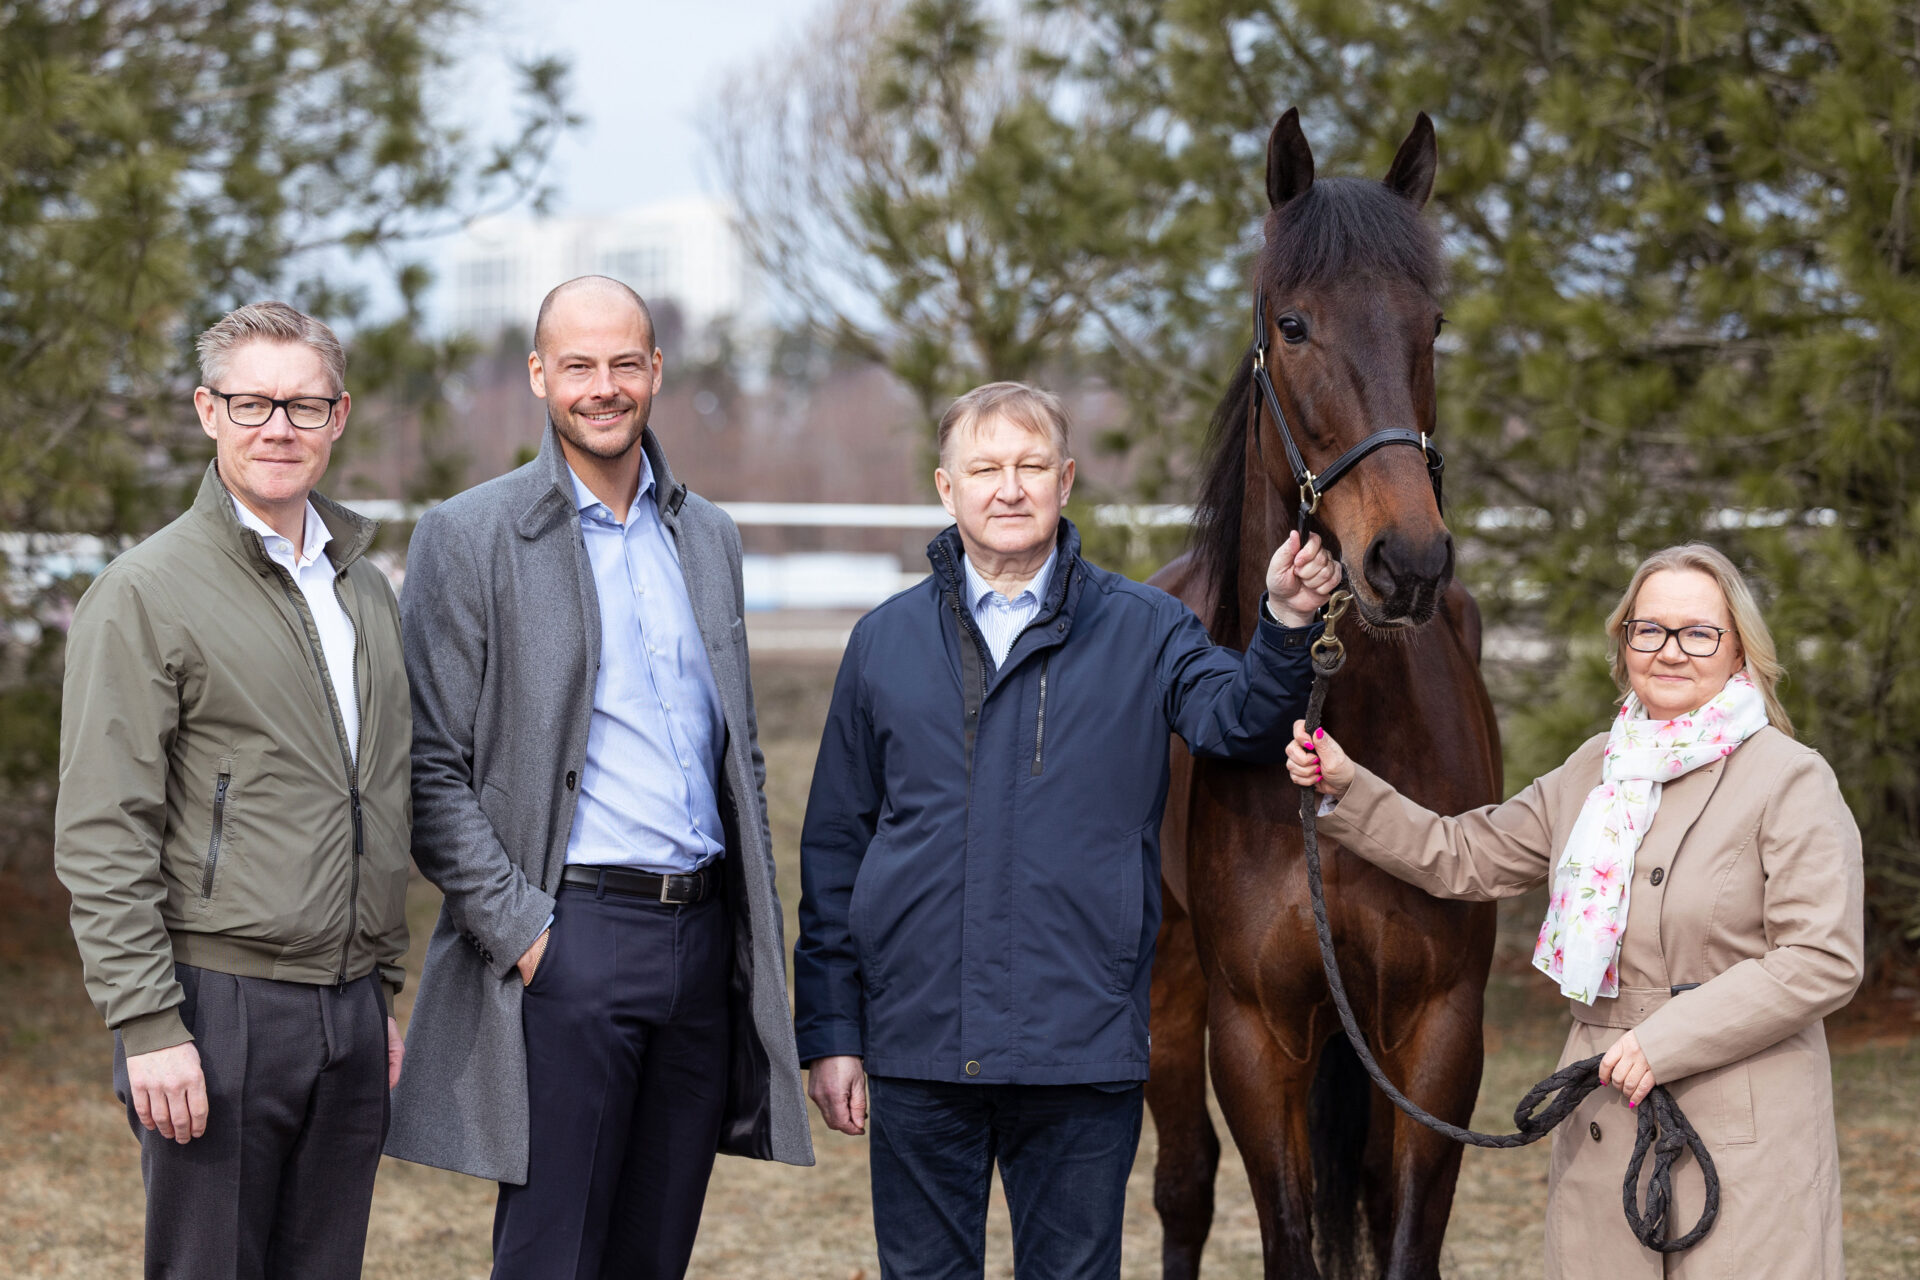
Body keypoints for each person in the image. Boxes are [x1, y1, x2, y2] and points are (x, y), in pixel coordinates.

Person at [794, 381, 1339, 1280]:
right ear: (946, 487)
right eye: (986, 468)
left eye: (1031, 466)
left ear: (1067, 480)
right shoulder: (881, 643)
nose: (1009, 488)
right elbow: (834, 854)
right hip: (920, 1048)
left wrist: (1283, 622)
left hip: (1079, 1051)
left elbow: (1238, 721)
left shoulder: (1147, 628)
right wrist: (832, 1032)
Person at [383, 275, 811, 1280]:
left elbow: (736, 744)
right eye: (578, 365)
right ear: (540, 375)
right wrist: (530, 937)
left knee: (652, 1254)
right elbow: (428, 767)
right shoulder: (470, 534)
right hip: (572, 941)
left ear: (656, 371)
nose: (603, 386)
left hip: (702, 947)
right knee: (552, 1257)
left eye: (625, 362)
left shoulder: (707, 536)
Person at [1287, 543, 1862, 1278]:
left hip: (1747, 1127)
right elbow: (1467, 854)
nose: (1671, 650)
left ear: (1740, 650)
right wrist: (1347, 785)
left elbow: (1821, 961)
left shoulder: (1791, 779)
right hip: (1605, 1118)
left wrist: (1665, 1041)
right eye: (1648, 630)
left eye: (1698, 633)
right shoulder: (1597, 767)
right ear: (1624, 645)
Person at [54, 302, 412, 1279]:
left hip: (346, 1008)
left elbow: (373, 792)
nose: (279, 428)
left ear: (338, 418)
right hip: (217, 1004)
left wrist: (376, 988)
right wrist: (148, 1025)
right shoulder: (145, 591)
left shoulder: (362, 587)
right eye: (253, 403)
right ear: (208, 410)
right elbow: (102, 831)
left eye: (304, 404)